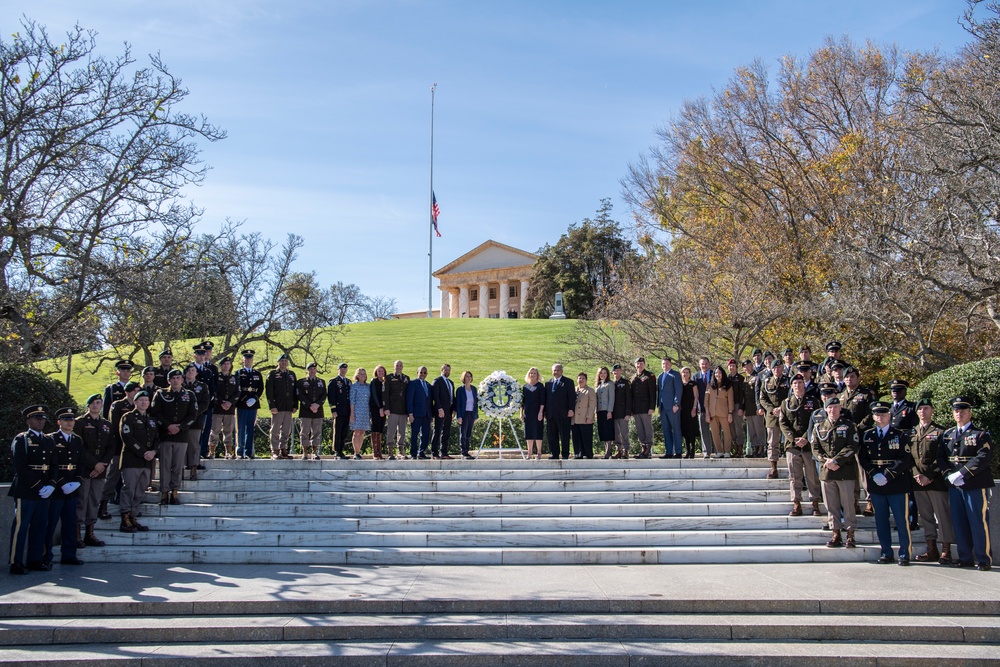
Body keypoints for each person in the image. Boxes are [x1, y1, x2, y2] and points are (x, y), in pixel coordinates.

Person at [938, 396, 993, 571]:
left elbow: (984, 457)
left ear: (970, 413)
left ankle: (983, 558)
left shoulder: (981, 434)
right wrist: (949, 475)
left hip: (974, 484)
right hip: (955, 486)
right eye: (956, 411)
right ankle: (964, 557)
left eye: (962, 411)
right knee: (959, 523)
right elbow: (941, 457)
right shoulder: (948, 435)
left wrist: (962, 473)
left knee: (978, 522)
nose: (959, 414)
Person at [860, 401, 914, 565]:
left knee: (901, 520)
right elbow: (863, 458)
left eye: (883, 414)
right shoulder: (868, 435)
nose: (880, 417)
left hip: (896, 483)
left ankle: (904, 553)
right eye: (877, 415)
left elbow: (905, 459)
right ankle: (886, 552)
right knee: (881, 520)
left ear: (889, 416)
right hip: (876, 483)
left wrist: (888, 475)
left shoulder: (900, 435)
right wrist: (874, 474)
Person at [8, 405, 56, 574]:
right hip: (26, 490)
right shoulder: (22, 439)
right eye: (37, 418)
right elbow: (20, 467)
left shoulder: (49, 440)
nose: (40, 421)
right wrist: (39, 486)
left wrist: (51, 484)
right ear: (28, 420)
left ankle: (35, 559)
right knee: (21, 526)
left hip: (45, 491)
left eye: (42, 418)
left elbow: (54, 466)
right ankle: (16, 561)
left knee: (40, 525)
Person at [810, 397, 859, 548]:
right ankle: (835, 532)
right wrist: (826, 461)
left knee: (848, 504)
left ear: (840, 408)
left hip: (844, 470)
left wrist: (836, 461)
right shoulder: (819, 426)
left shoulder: (849, 425)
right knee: (831, 505)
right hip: (827, 471)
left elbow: (853, 446)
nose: (833, 410)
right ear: (826, 409)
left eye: (836, 407)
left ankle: (850, 534)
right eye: (830, 408)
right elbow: (815, 447)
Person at [910, 397, 953, 564]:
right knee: (926, 516)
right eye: (920, 409)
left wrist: (929, 475)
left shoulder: (941, 432)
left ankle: (946, 549)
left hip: (936, 481)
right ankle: (931, 548)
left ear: (932, 411)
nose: (923, 411)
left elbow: (943, 457)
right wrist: (916, 474)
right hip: (918, 482)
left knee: (942, 516)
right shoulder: (912, 432)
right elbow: (910, 457)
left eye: (926, 408)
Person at [150, 369, 197, 506]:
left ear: (182, 380)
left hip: (181, 436)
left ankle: (175, 491)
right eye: (173, 378)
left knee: (178, 465)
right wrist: (167, 426)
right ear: (168, 380)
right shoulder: (161, 394)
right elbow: (155, 412)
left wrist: (180, 427)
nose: (175, 380)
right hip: (165, 435)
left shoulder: (189, 395)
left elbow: (192, 415)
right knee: (165, 465)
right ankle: (164, 492)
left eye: (178, 378)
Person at [44, 407, 84, 566]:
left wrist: (78, 481)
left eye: (72, 419)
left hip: (72, 487)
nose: (69, 422)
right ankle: (45, 556)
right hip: (56, 488)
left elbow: (80, 463)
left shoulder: (77, 440)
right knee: (51, 523)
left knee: (70, 523)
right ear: (59, 422)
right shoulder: (51, 439)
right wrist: (60, 483)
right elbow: (52, 464)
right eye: (66, 420)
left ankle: (69, 555)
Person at [778, 373, 822, 516]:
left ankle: (815, 502)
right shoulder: (786, 403)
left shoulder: (813, 401)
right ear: (792, 386)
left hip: (809, 445)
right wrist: (793, 438)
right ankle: (796, 503)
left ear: (804, 384)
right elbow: (783, 423)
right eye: (795, 383)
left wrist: (806, 438)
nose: (797, 386)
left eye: (800, 382)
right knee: (794, 476)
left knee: (812, 476)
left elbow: (817, 422)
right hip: (792, 445)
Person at [73, 394, 114, 548]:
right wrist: (94, 464)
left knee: (94, 501)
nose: (96, 406)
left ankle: (90, 533)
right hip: (86, 469)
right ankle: (77, 534)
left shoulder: (106, 424)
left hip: (100, 470)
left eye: (99, 403)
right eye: (93, 403)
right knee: (82, 501)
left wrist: (102, 464)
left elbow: (111, 446)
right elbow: (79, 446)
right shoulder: (80, 423)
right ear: (88, 405)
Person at [118, 390, 158, 533]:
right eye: (140, 400)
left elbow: (156, 439)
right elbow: (127, 437)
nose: (143, 402)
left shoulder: (151, 420)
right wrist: (143, 452)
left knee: (140, 490)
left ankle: (133, 517)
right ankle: (125, 518)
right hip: (132, 460)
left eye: (146, 400)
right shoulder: (128, 417)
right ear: (135, 402)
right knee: (129, 489)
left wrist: (153, 452)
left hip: (146, 462)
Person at [100, 383, 138, 519]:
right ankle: (103, 504)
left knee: (131, 480)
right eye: (134, 391)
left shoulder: (139, 406)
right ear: (127, 392)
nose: (136, 393)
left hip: (134, 449)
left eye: (138, 391)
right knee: (112, 476)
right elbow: (115, 426)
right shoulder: (117, 405)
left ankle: (130, 508)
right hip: (118, 447)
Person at [757, 360, 789, 479]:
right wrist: (771, 409)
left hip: (786, 415)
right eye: (774, 368)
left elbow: (791, 396)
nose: (776, 370)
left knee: (789, 442)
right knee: (772, 443)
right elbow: (762, 398)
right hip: (772, 416)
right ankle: (773, 468)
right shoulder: (767, 381)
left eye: (779, 367)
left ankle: (792, 467)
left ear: (782, 368)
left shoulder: (789, 381)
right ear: (771, 369)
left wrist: (782, 408)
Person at [265, 353, 298, 460]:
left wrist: (295, 405)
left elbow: (295, 391)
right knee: (275, 429)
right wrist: (272, 406)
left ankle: (283, 449)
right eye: (282, 361)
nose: (284, 363)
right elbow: (269, 391)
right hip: (277, 406)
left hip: (288, 406)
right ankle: (275, 450)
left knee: (286, 430)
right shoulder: (273, 374)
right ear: (278, 362)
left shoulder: (291, 374)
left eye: (285, 361)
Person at [182, 363, 210, 480]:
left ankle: (193, 469)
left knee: (194, 445)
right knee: (182, 446)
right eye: (188, 371)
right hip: (181, 421)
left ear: (197, 373)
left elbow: (205, 403)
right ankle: (182, 469)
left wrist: (193, 413)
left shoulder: (202, 386)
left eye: (193, 371)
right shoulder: (180, 385)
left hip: (196, 420)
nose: (191, 373)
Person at [235, 350, 264, 460]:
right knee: (241, 428)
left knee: (250, 429)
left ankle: (248, 451)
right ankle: (239, 451)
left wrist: (254, 398)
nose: (248, 360)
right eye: (246, 358)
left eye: (250, 358)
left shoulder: (257, 373)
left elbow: (260, 388)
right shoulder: (238, 373)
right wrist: (245, 398)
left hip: (253, 404)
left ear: (252, 360)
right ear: (243, 360)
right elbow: (237, 388)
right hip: (242, 404)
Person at [209, 356, 240, 459]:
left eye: (228, 364)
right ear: (221, 366)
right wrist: (221, 402)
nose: (226, 366)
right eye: (224, 364)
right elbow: (213, 392)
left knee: (228, 431)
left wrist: (230, 402)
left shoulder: (234, 378)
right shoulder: (216, 377)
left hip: (230, 409)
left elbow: (237, 392)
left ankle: (228, 452)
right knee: (214, 431)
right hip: (218, 408)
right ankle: (212, 451)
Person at [296, 362, 326, 460]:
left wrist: (317, 405)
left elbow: (324, 395)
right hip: (306, 410)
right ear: (307, 370)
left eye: (314, 369)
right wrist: (309, 405)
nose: (312, 370)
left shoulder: (321, 381)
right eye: (310, 369)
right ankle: (305, 452)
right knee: (304, 431)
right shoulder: (301, 382)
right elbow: (300, 395)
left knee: (316, 432)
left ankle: (315, 451)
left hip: (318, 410)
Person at [545, 363, 576, 460]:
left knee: (564, 435)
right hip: (551, 414)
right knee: (552, 436)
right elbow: (546, 399)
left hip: (564, 414)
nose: (556, 372)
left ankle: (565, 454)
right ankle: (555, 453)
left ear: (562, 371)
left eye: (558, 370)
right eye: (554, 370)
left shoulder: (568, 382)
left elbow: (571, 397)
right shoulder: (548, 383)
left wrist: (571, 409)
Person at [703, 366, 734, 459]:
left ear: (723, 374)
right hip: (712, 413)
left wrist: (730, 413)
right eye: (716, 373)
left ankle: (727, 451)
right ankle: (719, 451)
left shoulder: (728, 385)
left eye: (719, 373)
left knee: (727, 432)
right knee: (715, 433)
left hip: (724, 412)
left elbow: (730, 400)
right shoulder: (710, 385)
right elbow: (706, 401)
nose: (718, 375)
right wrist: (707, 413)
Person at [630, 357, 658, 459]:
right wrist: (631, 409)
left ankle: (648, 449)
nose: (639, 365)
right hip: (636, 408)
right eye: (638, 363)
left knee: (647, 428)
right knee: (640, 429)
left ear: (644, 364)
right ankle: (643, 448)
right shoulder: (634, 377)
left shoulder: (649, 376)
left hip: (646, 407)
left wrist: (652, 407)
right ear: (635, 365)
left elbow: (652, 392)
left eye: (641, 363)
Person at [657, 357, 683, 458]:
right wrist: (658, 405)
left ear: (670, 364)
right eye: (663, 364)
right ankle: (669, 452)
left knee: (676, 429)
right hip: (663, 407)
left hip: (673, 407)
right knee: (666, 430)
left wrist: (676, 404)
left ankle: (678, 451)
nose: (665, 365)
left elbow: (678, 390)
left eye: (667, 363)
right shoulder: (660, 376)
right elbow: (659, 392)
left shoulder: (675, 375)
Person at [384, 361, 410, 459]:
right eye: (397, 365)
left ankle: (400, 451)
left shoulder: (406, 378)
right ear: (393, 366)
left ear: (402, 367)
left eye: (400, 365)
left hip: (403, 409)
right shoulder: (389, 378)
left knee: (402, 431)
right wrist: (386, 408)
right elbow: (385, 394)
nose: (398, 367)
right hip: (393, 409)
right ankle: (390, 451)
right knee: (391, 430)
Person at [406, 366, 432, 459]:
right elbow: (409, 399)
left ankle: (421, 452)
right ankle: (413, 453)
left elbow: (429, 401)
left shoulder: (428, 385)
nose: (423, 374)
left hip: (426, 414)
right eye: (421, 372)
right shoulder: (413, 383)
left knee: (425, 434)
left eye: (425, 372)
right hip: (416, 414)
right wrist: (410, 413)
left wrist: (431, 415)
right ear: (417, 373)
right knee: (414, 434)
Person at [430, 364, 455, 459]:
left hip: (449, 411)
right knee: (437, 431)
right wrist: (439, 408)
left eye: (449, 370)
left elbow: (452, 397)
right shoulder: (437, 381)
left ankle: (444, 452)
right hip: (440, 410)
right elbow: (435, 396)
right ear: (441, 370)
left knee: (446, 432)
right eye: (446, 369)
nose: (447, 371)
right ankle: (434, 452)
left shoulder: (451, 383)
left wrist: (454, 410)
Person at [328, 362, 352, 460]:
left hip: (347, 410)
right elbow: (331, 396)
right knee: (338, 430)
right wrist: (333, 409)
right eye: (341, 369)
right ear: (338, 370)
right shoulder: (334, 381)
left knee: (344, 431)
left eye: (345, 369)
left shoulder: (349, 381)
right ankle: (337, 450)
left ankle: (341, 449)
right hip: (338, 410)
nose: (343, 370)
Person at [742, 359, 766, 457]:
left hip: (756, 406)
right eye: (744, 367)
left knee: (759, 428)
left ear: (752, 365)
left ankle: (761, 447)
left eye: (748, 365)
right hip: (748, 407)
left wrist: (759, 406)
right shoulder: (745, 379)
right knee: (751, 429)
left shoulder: (758, 376)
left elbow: (759, 392)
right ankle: (755, 447)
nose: (747, 368)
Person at [521, 367, 546, 460]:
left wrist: (541, 412)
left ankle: (539, 452)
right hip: (528, 413)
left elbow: (542, 401)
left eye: (534, 373)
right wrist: (521, 413)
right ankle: (529, 453)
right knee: (529, 433)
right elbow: (522, 402)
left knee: (538, 432)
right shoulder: (525, 387)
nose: (532, 375)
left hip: (537, 413)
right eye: (531, 373)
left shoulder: (540, 386)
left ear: (537, 375)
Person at [571, 372, 596, 459]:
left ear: (586, 380)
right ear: (577, 379)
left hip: (585, 418)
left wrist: (589, 417)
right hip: (575, 419)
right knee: (576, 437)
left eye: (583, 378)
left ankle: (588, 454)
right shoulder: (573, 390)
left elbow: (592, 405)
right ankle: (578, 453)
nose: (581, 380)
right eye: (579, 378)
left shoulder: (590, 390)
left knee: (586, 437)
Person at [694, 357, 715, 457]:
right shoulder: (696, 376)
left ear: (709, 364)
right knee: (704, 430)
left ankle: (718, 451)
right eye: (702, 364)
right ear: (699, 365)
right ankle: (706, 452)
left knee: (716, 430)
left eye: (706, 363)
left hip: (714, 407)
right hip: (701, 408)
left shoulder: (715, 374)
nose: (704, 366)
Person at [349, 367, 371, 460]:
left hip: (365, 412)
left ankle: (359, 451)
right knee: (356, 432)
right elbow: (352, 401)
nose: (362, 375)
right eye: (361, 374)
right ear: (357, 375)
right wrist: (352, 413)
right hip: (357, 411)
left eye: (364, 374)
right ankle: (356, 452)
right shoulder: (354, 386)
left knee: (362, 432)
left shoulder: (368, 386)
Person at [726, 359, 747, 457]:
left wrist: (741, 408)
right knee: (731, 429)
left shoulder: (741, 378)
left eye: (733, 366)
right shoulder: (726, 379)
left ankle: (740, 449)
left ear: (736, 367)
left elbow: (743, 395)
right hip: (728, 407)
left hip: (738, 405)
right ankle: (735, 448)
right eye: (730, 366)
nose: (732, 367)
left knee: (739, 428)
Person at [611, 364, 632, 459]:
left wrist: (628, 413)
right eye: (615, 371)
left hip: (623, 412)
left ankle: (625, 450)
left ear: (621, 371)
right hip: (614, 412)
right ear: (612, 373)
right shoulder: (611, 383)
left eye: (618, 370)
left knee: (624, 433)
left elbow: (629, 398)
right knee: (616, 434)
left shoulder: (625, 383)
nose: (616, 372)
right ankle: (618, 450)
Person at [455, 371, 478, 459]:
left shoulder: (474, 389)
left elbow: (476, 403)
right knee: (463, 433)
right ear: (463, 378)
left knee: (468, 433)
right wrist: (459, 416)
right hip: (463, 413)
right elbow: (458, 404)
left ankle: (467, 450)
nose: (468, 378)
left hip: (471, 413)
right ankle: (463, 451)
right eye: (466, 376)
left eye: (470, 376)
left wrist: (476, 415)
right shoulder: (460, 389)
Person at [594, 367, 615, 459]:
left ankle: (608, 451)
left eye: (604, 373)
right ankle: (606, 451)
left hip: (607, 410)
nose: (603, 374)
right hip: (600, 411)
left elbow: (612, 398)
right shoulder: (598, 385)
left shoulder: (610, 384)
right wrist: (596, 411)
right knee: (602, 431)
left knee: (608, 431)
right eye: (601, 373)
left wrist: (610, 411)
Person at [679, 367, 699, 459]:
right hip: (683, 410)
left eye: (687, 372)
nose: (685, 374)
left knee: (691, 431)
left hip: (691, 409)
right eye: (683, 372)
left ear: (690, 374)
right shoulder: (680, 384)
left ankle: (692, 451)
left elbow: (696, 397)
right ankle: (687, 451)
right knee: (685, 432)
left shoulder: (693, 384)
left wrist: (694, 408)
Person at [369, 364, 388, 459]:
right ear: (376, 372)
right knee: (375, 428)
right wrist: (380, 407)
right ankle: (374, 451)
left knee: (380, 429)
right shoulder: (374, 381)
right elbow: (374, 395)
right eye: (379, 371)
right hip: (375, 408)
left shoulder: (385, 382)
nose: (381, 373)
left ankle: (379, 451)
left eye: (382, 371)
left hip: (384, 409)